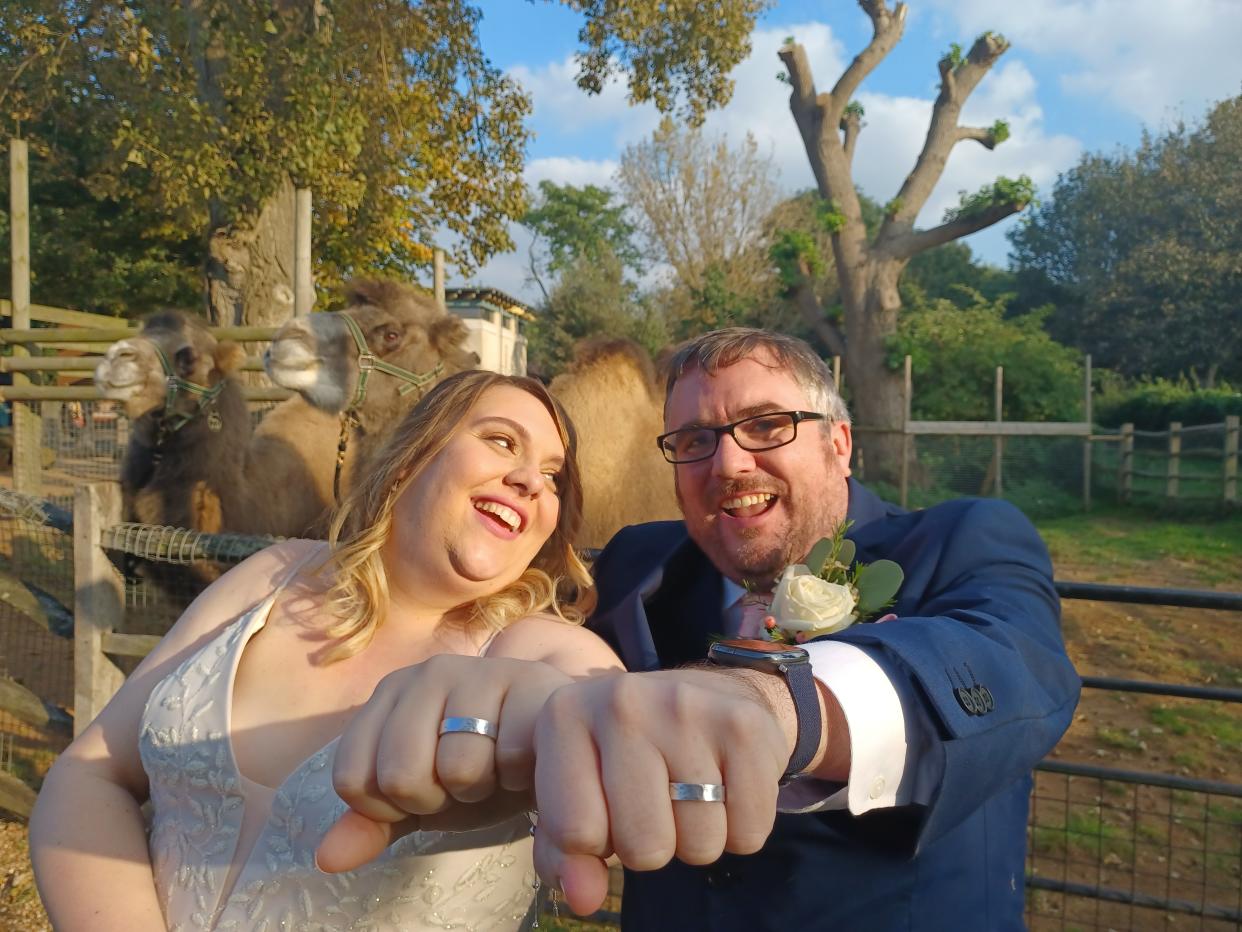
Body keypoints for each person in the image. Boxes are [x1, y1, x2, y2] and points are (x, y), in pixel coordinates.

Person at [320, 327, 1081, 930]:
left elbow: (1017, 663)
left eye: (766, 426)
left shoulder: (961, 539)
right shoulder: (638, 563)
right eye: (693, 441)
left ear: (839, 443)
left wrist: (785, 706)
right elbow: (556, 667)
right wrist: (512, 741)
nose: (728, 463)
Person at [28, 369, 623, 931]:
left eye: (554, 477)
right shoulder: (273, 575)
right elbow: (92, 773)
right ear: (408, 461)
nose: (530, 480)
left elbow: (601, 707)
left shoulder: (537, 647)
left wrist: (600, 721)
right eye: (501, 441)